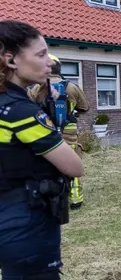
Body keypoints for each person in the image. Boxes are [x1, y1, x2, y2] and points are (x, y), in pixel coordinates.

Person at [0, 20, 84, 280]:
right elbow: (73, 165)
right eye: (41, 53)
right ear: (10, 60)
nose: (49, 61)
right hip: (26, 223)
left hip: (10, 216)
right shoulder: (20, 112)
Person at [28, 54, 90, 209]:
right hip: (68, 128)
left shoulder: (36, 87)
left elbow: (29, 108)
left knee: (47, 160)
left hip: (44, 129)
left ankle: (50, 194)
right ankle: (76, 199)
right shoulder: (71, 86)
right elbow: (85, 107)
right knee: (72, 159)